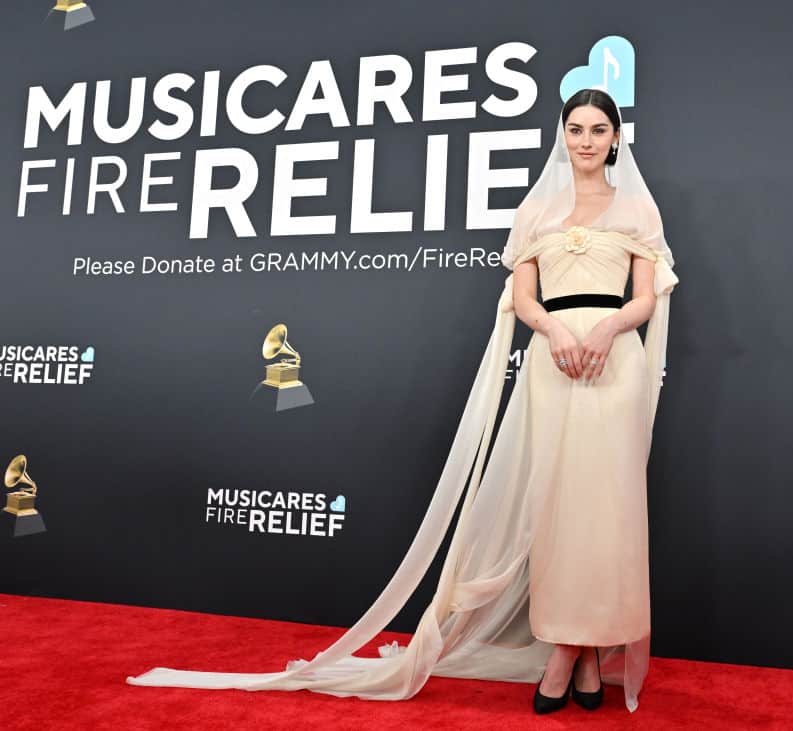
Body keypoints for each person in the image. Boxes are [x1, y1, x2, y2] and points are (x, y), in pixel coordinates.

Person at [127, 88, 678, 715]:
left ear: (615, 137)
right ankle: (564, 650)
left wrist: (605, 331)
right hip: (553, 365)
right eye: (575, 128)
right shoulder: (536, 210)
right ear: (562, 134)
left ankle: (588, 650)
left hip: (615, 366)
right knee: (553, 507)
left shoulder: (637, 207)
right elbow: (524, 300)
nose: (585, 140)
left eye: (598, 129)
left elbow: (645, 299)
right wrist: (554, 330)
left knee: (607, 511)